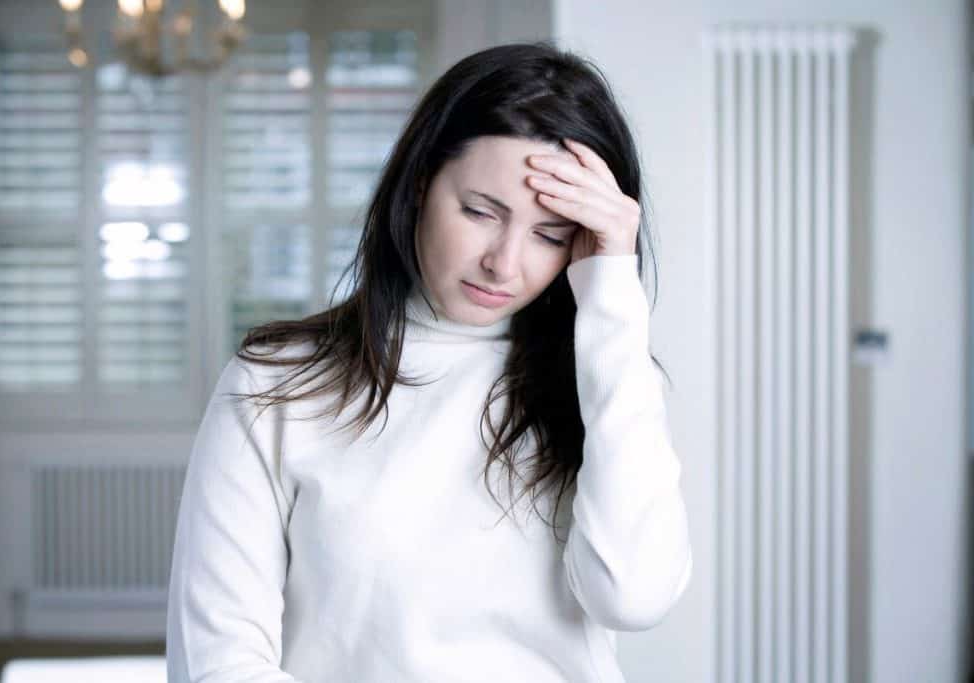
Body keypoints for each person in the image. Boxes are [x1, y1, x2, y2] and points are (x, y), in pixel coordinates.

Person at [166, 40, 692, 683]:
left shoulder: (607, 382)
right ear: (419, 187)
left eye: (551, 235)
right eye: (479, 212)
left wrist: (613, 290)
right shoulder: (277, 382)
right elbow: (221, 662)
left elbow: (634, 597)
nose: (505, 262)